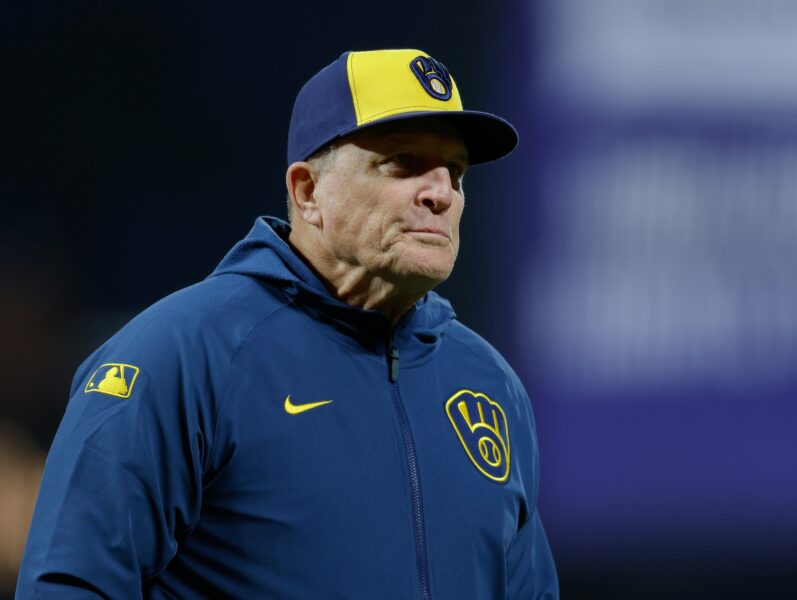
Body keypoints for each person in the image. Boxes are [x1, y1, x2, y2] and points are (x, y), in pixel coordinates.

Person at [17, 49, 558, 599]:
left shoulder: (489, 384)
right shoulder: (183, 353)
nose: (441, 193)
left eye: (456, 173)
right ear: (307, 191)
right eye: (403, 162)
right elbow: (71, 584)